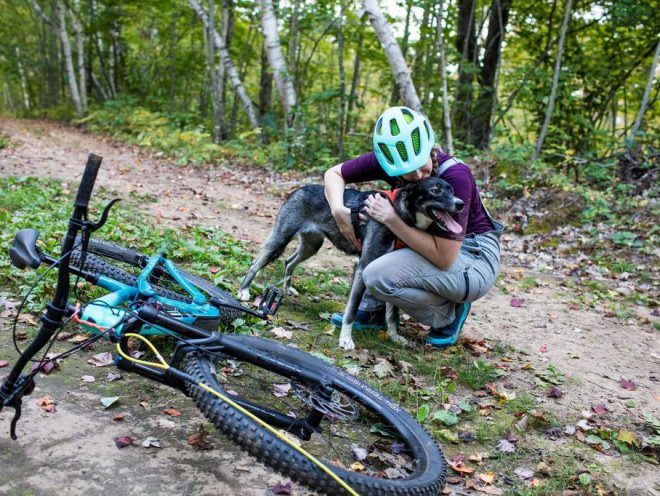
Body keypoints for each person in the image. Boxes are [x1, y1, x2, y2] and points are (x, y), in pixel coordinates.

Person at [325, 106, 504, 348]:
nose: (419, 175)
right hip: (430, 239)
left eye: (423, 166)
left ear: (430, 149)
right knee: (380, 248)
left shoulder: (456, 176)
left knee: (377, 274)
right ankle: (375, 312)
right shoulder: (393, 161)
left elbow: (444, 257)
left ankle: (446, 314)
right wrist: (338, 210)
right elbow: (334, 174)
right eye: (409, 173)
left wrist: (391, 218)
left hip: (472, 254)